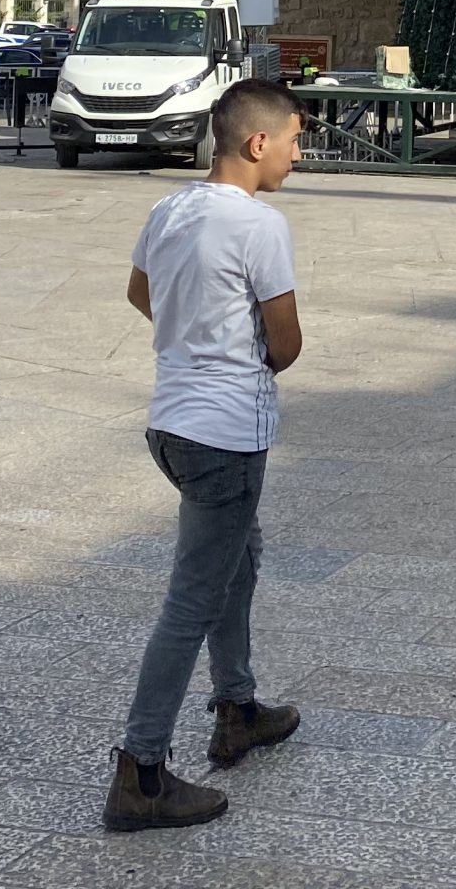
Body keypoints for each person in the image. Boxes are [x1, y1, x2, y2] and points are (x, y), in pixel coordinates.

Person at [107, 79, 308, 833]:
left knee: (238, 559)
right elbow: (284, 344)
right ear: (257, 144)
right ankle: (142, 772)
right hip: (226, 432)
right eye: (293, 139)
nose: (298, 154)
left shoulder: (171, 207)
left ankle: (239, 707)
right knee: (191, 600)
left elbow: (138, 291)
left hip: (171, 425)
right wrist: (235, 355)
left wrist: (193, 335)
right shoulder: (260, 224)